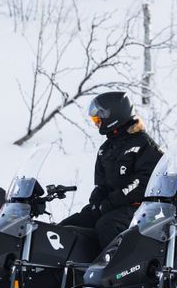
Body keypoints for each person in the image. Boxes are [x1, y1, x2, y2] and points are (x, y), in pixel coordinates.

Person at [61, 92, 164, 248]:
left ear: (114, 115)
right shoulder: (106, 149)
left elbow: (146, 182)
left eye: (98, 118)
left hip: (140, 208)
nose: (96, 123)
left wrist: (111, 201)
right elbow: (102, 185)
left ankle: (112, 269)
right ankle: (71, 270)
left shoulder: (144, 144)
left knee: (107, 224)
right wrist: (96, 203)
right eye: (94, 119)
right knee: (66, 227)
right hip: (112, 207)